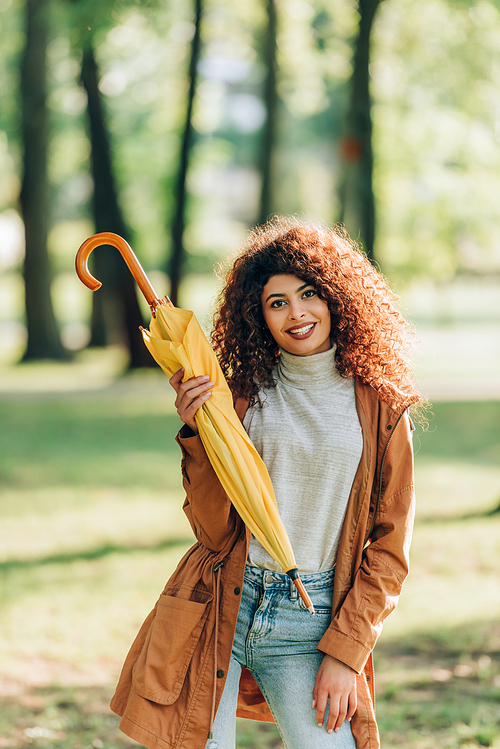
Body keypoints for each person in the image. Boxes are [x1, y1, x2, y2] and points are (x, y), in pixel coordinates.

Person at [110, 217, 424, 749]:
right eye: (277, 302)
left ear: (337, 298)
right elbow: (213, 531)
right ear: (258, 315)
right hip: (219, 605)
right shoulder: (238, 398)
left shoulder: (381, 408)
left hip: (313, 619)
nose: (296, 313)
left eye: (309, 294)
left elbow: (390, 549)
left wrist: (347, 651)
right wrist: (197, 431)